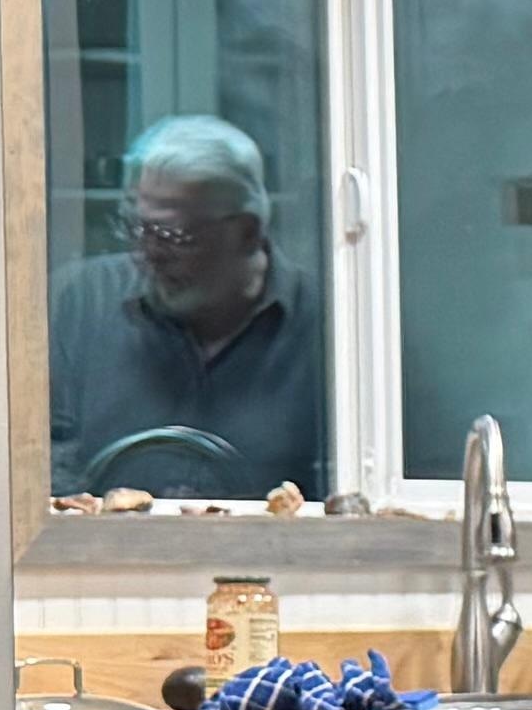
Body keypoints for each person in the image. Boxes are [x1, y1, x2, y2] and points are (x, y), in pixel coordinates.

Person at [47, 116, 329, 499]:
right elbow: (45, 463)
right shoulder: (87, 301)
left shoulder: (327, 329)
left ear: (247, 232)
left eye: (171, 235)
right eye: (136, 227)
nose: (147, 255)